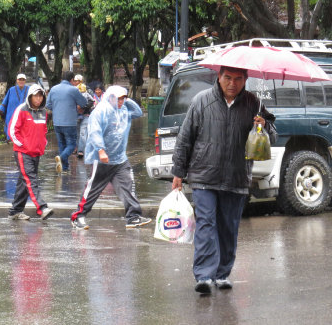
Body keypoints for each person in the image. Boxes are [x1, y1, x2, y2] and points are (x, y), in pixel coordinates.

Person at [171, 66, 276, 294]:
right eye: (227, 78)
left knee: (228, 227)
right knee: (206, 224)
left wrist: (264, 125)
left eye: (238, 79)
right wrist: (178, 171)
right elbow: (185, 137)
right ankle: (204, 276)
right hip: (203, 175)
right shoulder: (201, 101)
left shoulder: (253, 103)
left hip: (237, 177)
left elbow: (273, 135)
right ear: (218, 78)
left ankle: (222, 274)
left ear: (245, 80)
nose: (232, 84)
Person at [71, 85, 152, 230]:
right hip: (102, 159)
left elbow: (138, 112)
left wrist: (126, 99)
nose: (121, 102)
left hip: (120, 158)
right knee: (93, 188)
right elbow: (95, 131)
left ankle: (133, 217)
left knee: (127, 186)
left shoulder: (124, 110)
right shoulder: (101, 111)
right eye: (118, 98)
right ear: (110, 97)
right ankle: (78, 216)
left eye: (123, 99)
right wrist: (101, 150)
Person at [8, 84, 54, 221]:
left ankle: (15, 211)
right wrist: (23, 145)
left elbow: (44, 130)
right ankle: (42, 207)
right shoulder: (21, 110)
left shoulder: (43, 112)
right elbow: (12, 130)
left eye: (41, 96)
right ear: (30, 96)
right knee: (31, 179)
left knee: (25, 182)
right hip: (23, 152)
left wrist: (43, 143)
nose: (38, 99)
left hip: (36, 152)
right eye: (36, 96)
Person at [45, 71, 88, 173]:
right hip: (70, 122)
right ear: (72, 80)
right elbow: (83, 102)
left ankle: (64, 167)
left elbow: (48, 105)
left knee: (62, 144)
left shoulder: (54, 89)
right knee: (72, 145)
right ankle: (61, 157)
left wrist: (57, 108)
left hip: (57, 122)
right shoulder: (73, 89)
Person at [0, 74, 29, 140]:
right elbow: (5, 102)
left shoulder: (29, 90)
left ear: (25, 81)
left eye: (23, 79)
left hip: (26, 116)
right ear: (17, 81)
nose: (21, 81)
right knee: (12, 131)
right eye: (19, 79)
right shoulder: (11, 90)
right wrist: (1, 110)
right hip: (12, 115)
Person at [76, 83, 95, 159]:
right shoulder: (74, 94)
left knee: (83, 133)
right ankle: (78, 148)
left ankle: (81, 151)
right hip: (76, 116)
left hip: (86, 115)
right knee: (77, 133)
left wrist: (83, 106)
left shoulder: (88, 93)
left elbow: (92, 101)